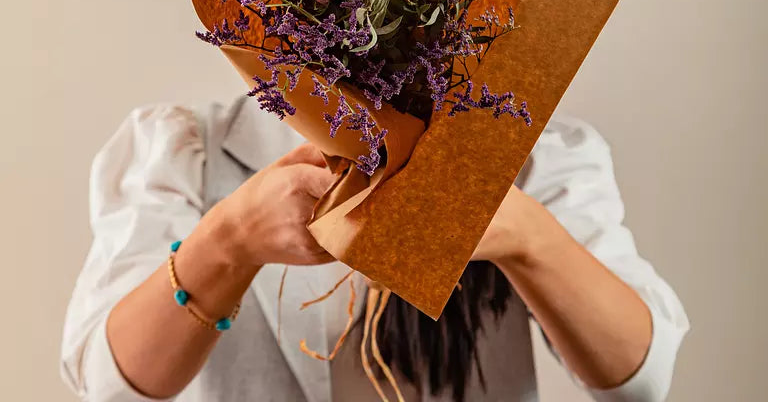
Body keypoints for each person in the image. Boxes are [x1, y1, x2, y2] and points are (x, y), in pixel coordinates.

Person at [60, 93, 689, 402]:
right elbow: (110, 383)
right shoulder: (183, 148)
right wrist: (230, 238)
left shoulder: (537, 155)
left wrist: (523, 233)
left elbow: (641, 378)